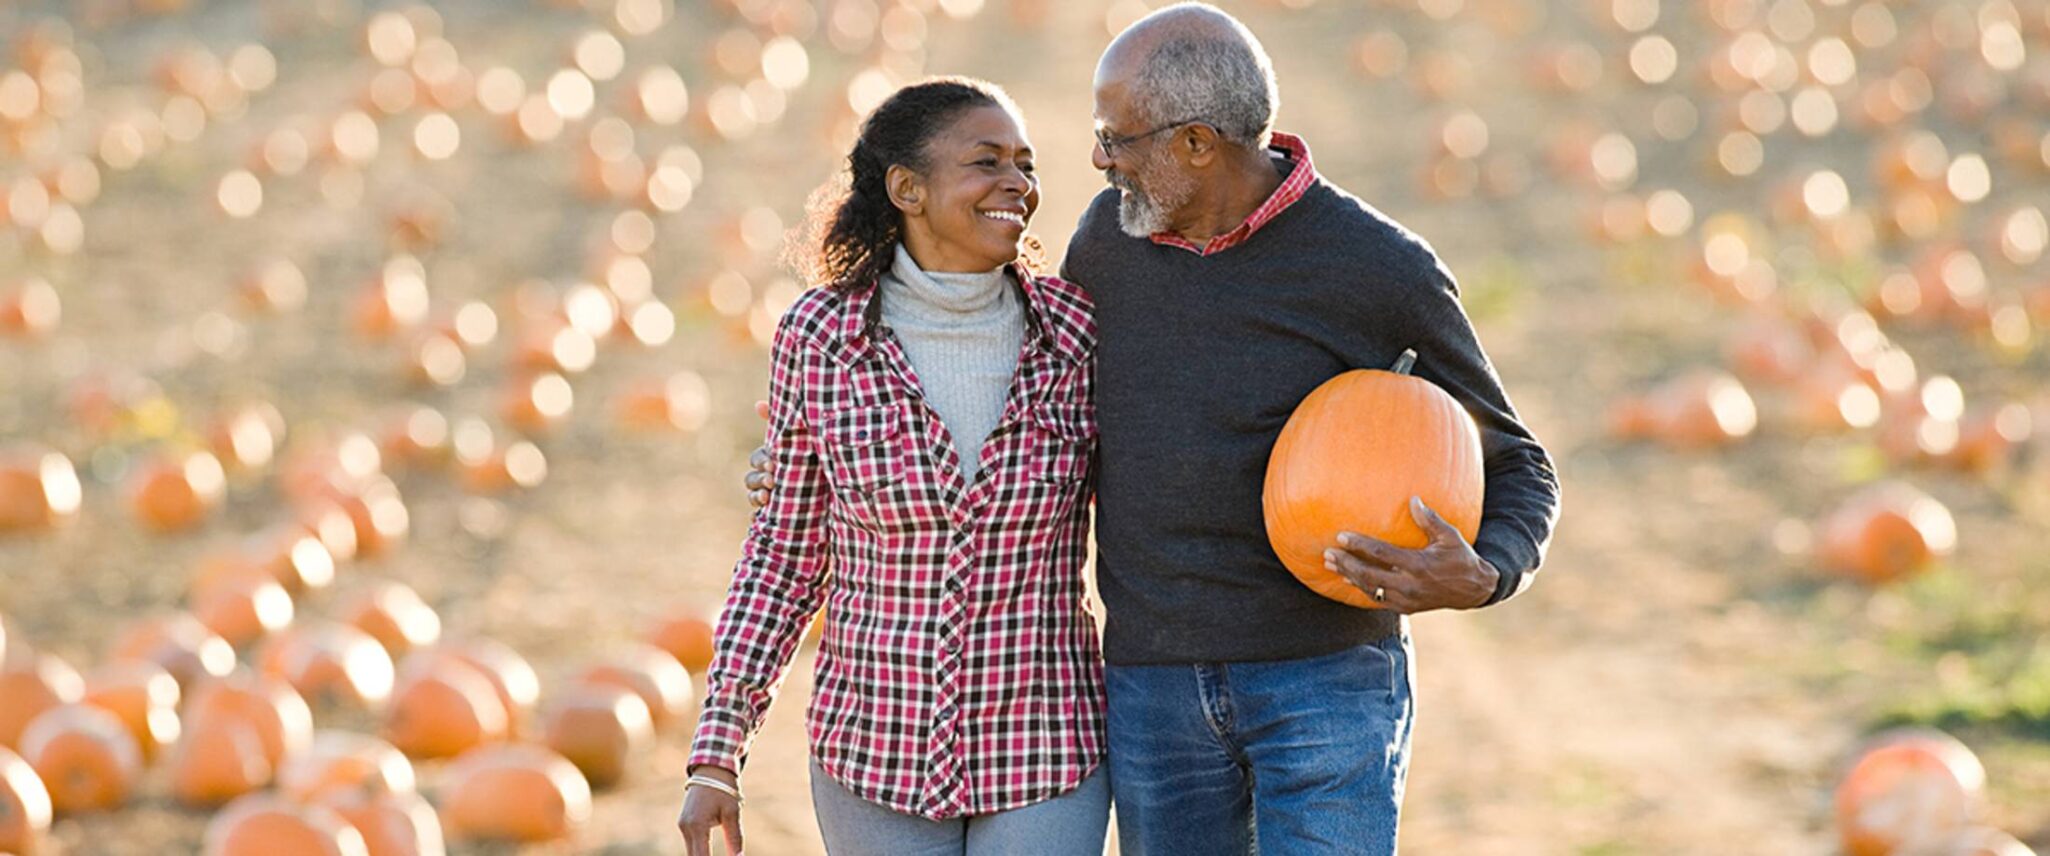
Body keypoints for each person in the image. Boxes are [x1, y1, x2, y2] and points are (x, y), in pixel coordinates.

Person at [744, 4, 1562, 853]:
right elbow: (1034, 390)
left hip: (1325, 678)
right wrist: (823, 451)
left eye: (1116, 138)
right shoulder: (1109, 241)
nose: (1098, 161)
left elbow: (1519, 461)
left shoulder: (1378, 267)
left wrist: (1489, 570)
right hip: (1152, 688)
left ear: (1197, 144)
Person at [675, 77, 1111, 856]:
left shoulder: (1076, 332)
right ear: (906, 187)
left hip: (1048, 744)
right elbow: (783, 560)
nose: (1018, 183)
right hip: (875, 755)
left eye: (1027, 165)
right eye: (987, 162)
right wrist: (718, 751)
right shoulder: (820, 339)